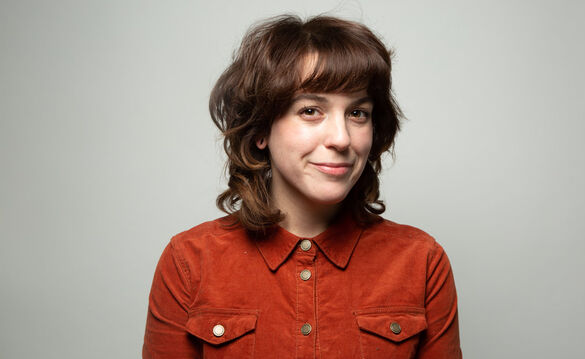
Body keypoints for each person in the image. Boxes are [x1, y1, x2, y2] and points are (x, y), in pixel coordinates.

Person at [142, 14, 462, 358]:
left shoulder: (421, 262)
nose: (341, 139)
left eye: (358, 114)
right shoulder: (189, 262)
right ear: (261, 129)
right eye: (311, 110)